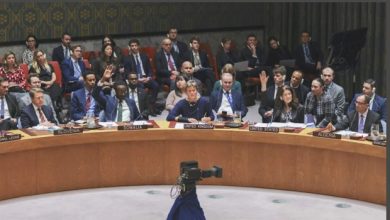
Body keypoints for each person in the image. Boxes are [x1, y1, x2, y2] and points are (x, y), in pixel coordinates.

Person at [123, 39, 160, 115]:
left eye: (135, 45)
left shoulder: (144, 56)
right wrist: (138, 79)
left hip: (146, 78)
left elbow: (149, 69)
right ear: (129, 47)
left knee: (155, 85)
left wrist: (149, 77)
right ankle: (145, 108)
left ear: (138, 46)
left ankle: (151, 105)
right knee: (141, 88)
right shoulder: (127, 59)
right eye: (132, 46)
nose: (134, 47)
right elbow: (127, 73)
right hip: (136, 80)